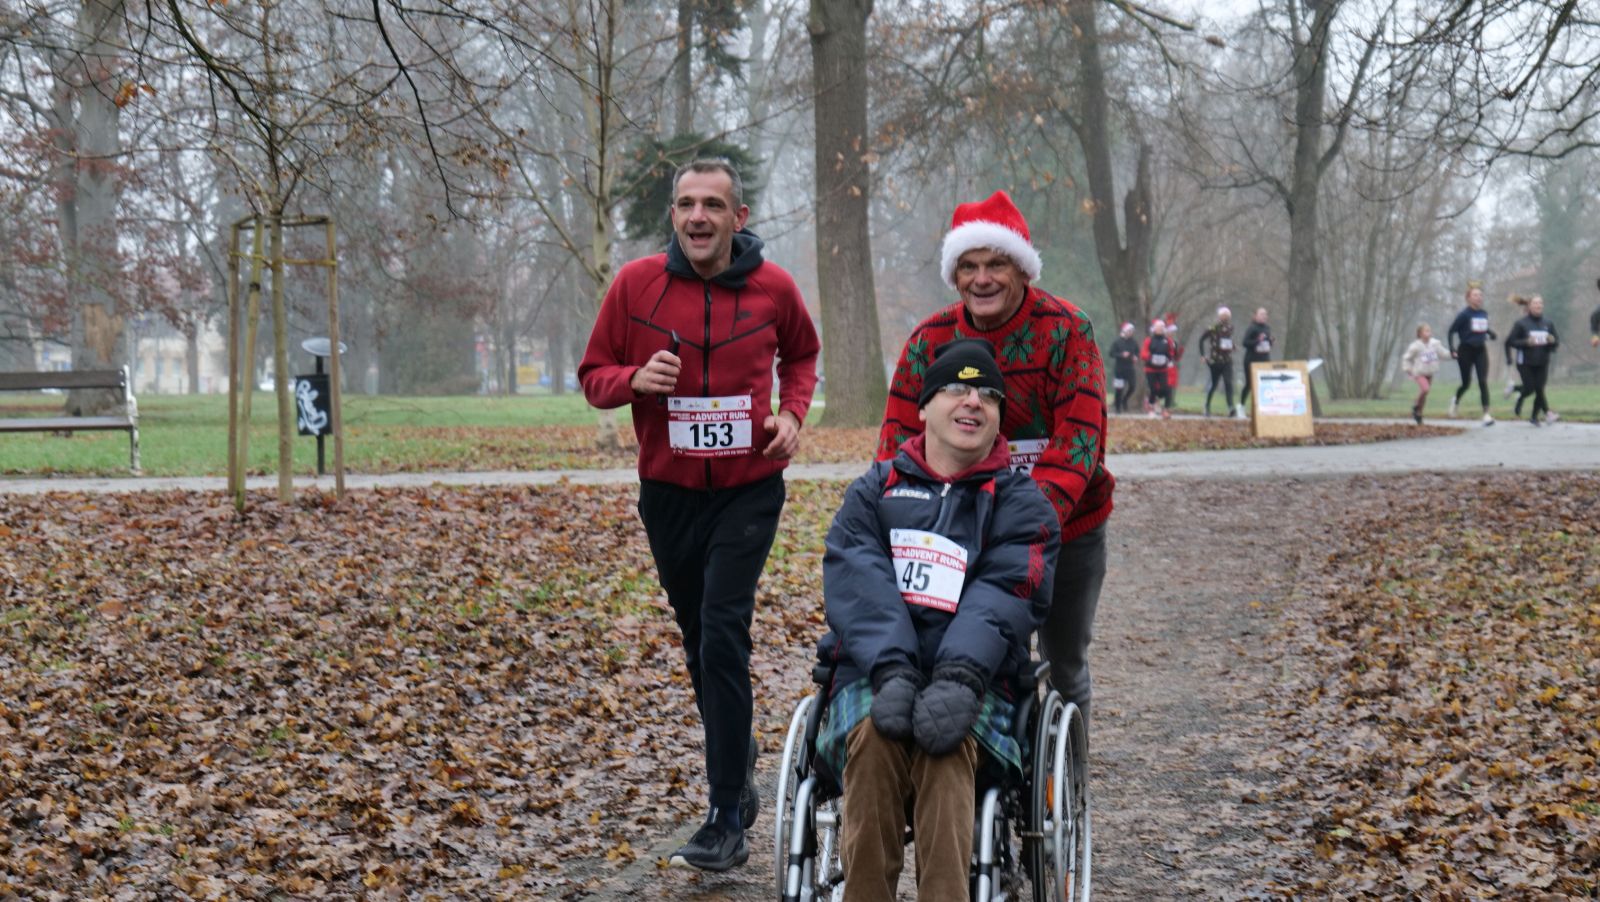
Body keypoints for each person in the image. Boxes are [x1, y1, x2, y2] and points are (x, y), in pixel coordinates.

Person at [578, 158, 820, 871]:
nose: (698, 217)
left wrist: (792, 414)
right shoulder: (634, 286)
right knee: (698, 638)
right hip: (670, 495)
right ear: (674, 215)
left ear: (737, 218)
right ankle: (736, 750)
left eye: (713, 204)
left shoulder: (774, 288)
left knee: (722, 629)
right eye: (686, 204)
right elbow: (592, 377)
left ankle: (724, 818)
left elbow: (802, 356)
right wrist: (633, 380)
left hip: (748, 489)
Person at [820, 339, 1059, 902]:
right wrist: (895, 670)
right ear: (924, 407)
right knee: (877, 736)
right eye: (957, 387)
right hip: (876, 678)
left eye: (988, 394)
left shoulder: (1023, 504)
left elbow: (1006, 593)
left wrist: (957, 676)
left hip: (977, 684)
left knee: (946, 746)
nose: (973, 401)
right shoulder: (873, 493)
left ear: (999, 418)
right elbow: (859, 582)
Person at [878, 189, 1114, 726]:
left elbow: (1079, 440)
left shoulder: (1066, 330)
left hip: (1066, 527)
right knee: (975, 655)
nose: (981, 279)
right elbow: (898, 439)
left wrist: (1021, 527)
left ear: (1022, 270)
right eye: (968, 266)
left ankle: (1065, 783)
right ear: (954, 274)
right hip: (957, 529)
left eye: (995, 265)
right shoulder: (929, 340)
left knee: (1065, 663)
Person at [1447, 280, 1497, 425]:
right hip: (1465, 351)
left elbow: (1483, 328)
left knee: (1482, 381)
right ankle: (1455, 400)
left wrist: (1491, 333)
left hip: (1480, 350)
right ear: (1468, 298)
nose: (1479, 298)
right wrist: (1452, 349)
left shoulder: (1483, 313)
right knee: (1466, 383)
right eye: (1475, 295)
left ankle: (1486, 414)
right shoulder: (1463, 314)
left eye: (1480, 295)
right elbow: (1451, 331)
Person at [1506, 294, 1560, 427]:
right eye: (1535, 303)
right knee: (1531, 388)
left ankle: (1534, 417)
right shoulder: (1521, 324)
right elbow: (1511, 341)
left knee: (1539, 388)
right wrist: (1526, 342)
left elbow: (1555, 342)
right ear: (1529, 306)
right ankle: (1546, 411)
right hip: (1525, 362)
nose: (1538, 306)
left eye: (1540, 303)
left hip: (1542, 361)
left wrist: (1552, 341)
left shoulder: (1548, 323)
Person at [1400, 323, 1450, 425]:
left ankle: (1419, 415)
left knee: (1425, 395)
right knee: (1425, 389)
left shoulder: (1435, 344)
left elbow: (1443, 354)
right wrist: (1408, 370)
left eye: (1429, 331)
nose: (1429, 333)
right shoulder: (1415, 346)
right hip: (1418, 372)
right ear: (1420, 333)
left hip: (1429, 373)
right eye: (1426, 331)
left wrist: (1454, 354)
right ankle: (1416, 405)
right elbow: (1406, 358)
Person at [1197, 306, 1238, 418]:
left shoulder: (1230, 327)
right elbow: (1201, 339)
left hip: (1227, 360)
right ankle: (1207, 405)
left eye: (1227, 316)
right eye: (1223, 316)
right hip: (1215, 360)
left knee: (1228, 383)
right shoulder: (1213, 328)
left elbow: (1228, 341)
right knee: (1214, 384)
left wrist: (1233, 346)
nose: (1225, 318)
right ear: (1219, 317)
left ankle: (1231, 407)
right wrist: (1203, 355)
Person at [1237, 307, 1273, 413]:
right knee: (1250, 384)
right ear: (1256, 316)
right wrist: (1258, 340)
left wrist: (1271, 341)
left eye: (1265, 314)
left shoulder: (1267, 328)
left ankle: (1263, 408)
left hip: (1265, 359)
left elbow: (1266, 344)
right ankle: (1241, 406)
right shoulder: (1252, 328)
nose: (1264, 316)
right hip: (1251, 360)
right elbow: (1245, 343)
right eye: (1261, 314)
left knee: (1265, 384)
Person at [1140, 319, 1175, 419]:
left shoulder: (1167, 341)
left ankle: (1165, 410)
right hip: (1150, 369)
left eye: (1162, 328)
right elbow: (1143, 353)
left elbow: (1171, 352)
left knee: (1166, 389)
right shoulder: (1149, 340)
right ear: (1154, 329)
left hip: (1163, 369)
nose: (1160, 329)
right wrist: (1150, 358)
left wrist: (1168, 359)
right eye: (1158, 328)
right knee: (1153, 389)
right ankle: (1151, 408)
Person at [1108, 321, 1139, 414]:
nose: (1131, 333)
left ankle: (1124, 400)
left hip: (1130, 368)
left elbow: (1137, 351)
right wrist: (1121, 355)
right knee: (1119, 389)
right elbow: (1111, 353)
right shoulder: (1117, 342)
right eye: (1129, 331)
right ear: (1125, 331)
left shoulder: (1134, 342)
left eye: (1132, 331)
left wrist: (1135, 356)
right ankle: (1118, 408)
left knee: (1133, 386)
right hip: (1119, 369)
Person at [1162, 312, 1183, 413]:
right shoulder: (1163, 341)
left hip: (1171, 367)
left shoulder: (1174, 342)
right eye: (1171, 331)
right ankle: (1154, 403)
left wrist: (1179, 353)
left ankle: (1167, 406)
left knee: (1170, 387)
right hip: (1162, 367)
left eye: (1173, 332)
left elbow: (1175, 357)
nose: (1173, 333)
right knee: (1161, 386)